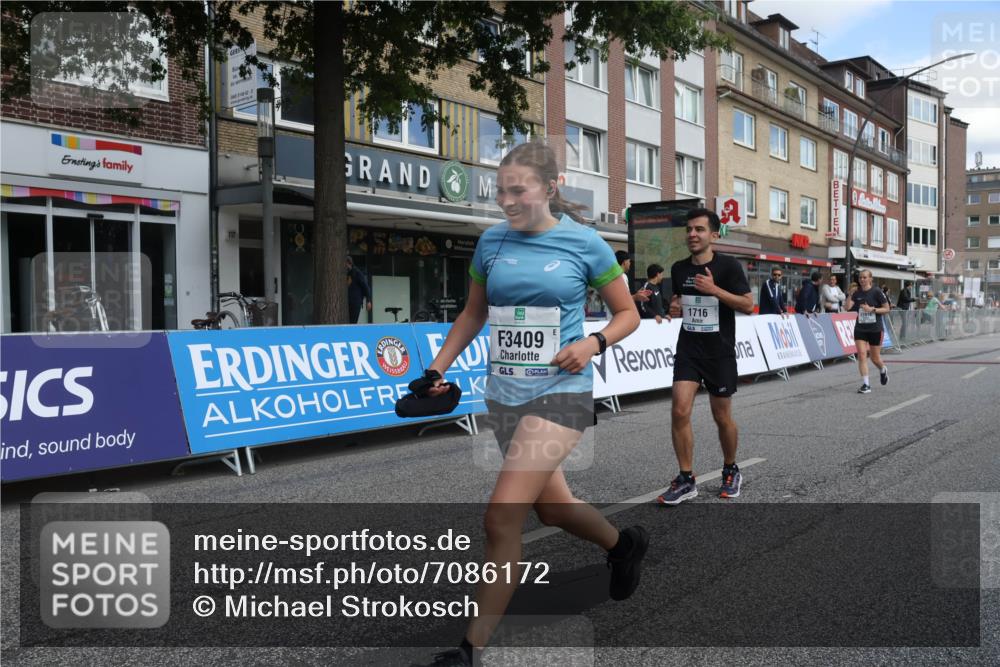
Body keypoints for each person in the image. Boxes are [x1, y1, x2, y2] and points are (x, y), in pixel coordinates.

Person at [414, 142, 648, 667]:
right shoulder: (491, 243)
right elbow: (474, 315)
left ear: (550, 187)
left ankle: (471, 650)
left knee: (501, 517)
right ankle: (623, 546)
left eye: (518, 189)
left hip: (562, 392)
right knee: (552, 507)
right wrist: (437, 369)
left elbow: (627, 315)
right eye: (501, 190)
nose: (507, 200)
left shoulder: (585, 244)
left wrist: (593, 342)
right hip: (505, 393)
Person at [657, 208, 754, 505]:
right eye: (689, 229)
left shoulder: (728, 267)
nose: (692, 234)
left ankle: (730, 468)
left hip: (719, 352)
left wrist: (714, 289)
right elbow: (680, 305)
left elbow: (748, 305)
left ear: (714, 235)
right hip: (689, 348)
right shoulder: (679, 268)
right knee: (679, 410)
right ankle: (686, 479)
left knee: (721, 416)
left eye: (699, 229)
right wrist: (676, 309)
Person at [844, 269, 890, 394]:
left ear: (870, 279)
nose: (862, 280)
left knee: (875, 358)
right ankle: (866, 384)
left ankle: (882, 369)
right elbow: (847, 308)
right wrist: (849, 294)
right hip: (860, 328)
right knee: (862, 355)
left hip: (875, 328)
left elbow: (887, 309)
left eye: (864, 277)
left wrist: (872, 309)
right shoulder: (857, 293)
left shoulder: (877, 291)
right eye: (860, 278)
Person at [346, 256, 372, 323]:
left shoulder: (357, 273)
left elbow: (365, 286)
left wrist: (368, 300)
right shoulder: (346, 273)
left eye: (345, 264)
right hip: (347, 302)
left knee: (352, 322)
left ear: (349, 263)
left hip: (355, 302)